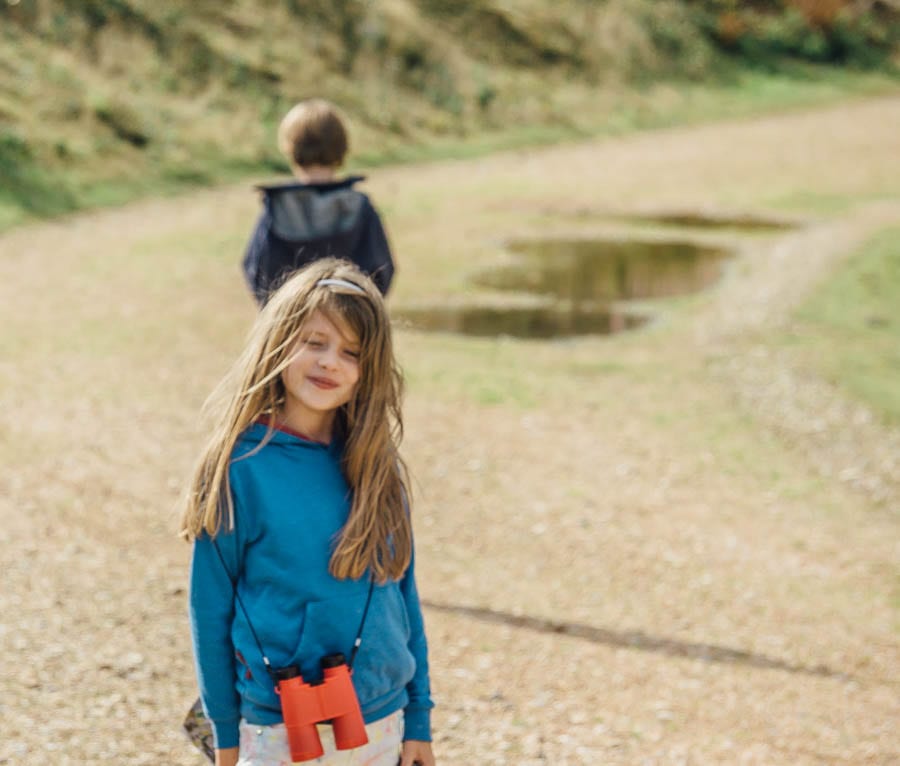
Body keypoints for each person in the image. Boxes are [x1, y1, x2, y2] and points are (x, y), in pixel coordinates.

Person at [181, 258, 434, 766]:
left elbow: (403, 597)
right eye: (314, 342)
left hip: (383, 722)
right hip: (276, 727)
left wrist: (419, 718)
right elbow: (209, 611)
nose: (329, 362)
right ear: (279, 342)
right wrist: (225, 734)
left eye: (350, 352)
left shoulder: (377, 468)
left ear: (369, 371)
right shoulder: (239, 467)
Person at [242, 99, 395, 305]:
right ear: (342, 147)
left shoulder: (277, 209)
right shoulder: (359, 206)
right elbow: (381, 269)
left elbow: (257, 270)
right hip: (349, 327)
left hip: (291, 324)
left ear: (290, 148)